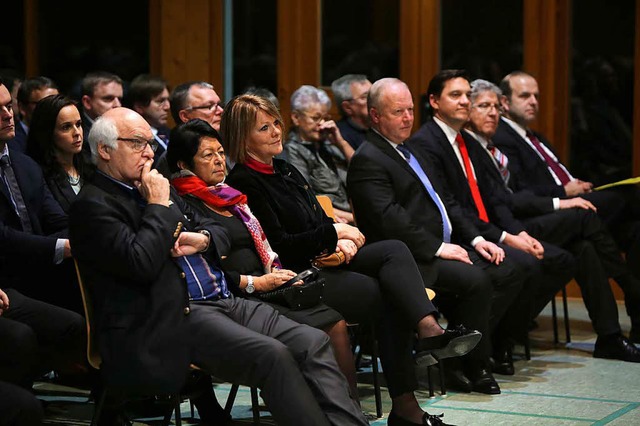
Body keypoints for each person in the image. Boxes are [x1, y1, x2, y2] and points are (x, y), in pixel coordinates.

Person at [69, 106, 370, 426]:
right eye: (137, 143)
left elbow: (219, 233)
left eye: (151, 144)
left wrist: (203, 240)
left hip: (222, 298)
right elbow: (139, 263)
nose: (149, 153)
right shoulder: (94, 206)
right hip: (169, 316)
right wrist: (158, 205)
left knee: (312, 341)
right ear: (104, 150)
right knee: (274, 356)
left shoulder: (156, 186)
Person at [225, 94, 481, 426]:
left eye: (276, 122)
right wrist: (334, 236)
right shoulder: (245, 181)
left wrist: (339, 235)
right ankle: (404, 405)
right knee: (390, 298)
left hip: (325, 258)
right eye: (264, 128)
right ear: (243, 138)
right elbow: (281, 247)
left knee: (394, 250)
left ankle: (428, 329)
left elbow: (318, 220)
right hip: (299, 275)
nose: (276, 131)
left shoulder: (284, 169)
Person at [347, 78, 526, 394]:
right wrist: (440, 248)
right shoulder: (368, 158)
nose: (407, 118)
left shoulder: (407, 149)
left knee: (509, 268)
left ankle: (459, 357)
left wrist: (475, 240)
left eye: (410, 110)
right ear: (375, 116)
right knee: (477, 280)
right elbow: (389, 221)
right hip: (405, 258)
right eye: (397, 112)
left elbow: (445, 201)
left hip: (436, 245)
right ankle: (465, 364)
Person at [167, 118, 360, 400]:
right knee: (318, 329)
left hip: (270, 284)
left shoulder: (229, 197)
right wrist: (256, 283)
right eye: (208, 155)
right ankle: (326, 409)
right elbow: (206, 272)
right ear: (184, 165)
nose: (219, 161)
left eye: (221, 152)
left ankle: (347, 410)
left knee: (333, 321)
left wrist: (276, 275)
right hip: (236, 296)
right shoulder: (185, 205)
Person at [405, 70, 575, 372]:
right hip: (452, 238)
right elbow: (450, 206)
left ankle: (496, 344)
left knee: (539, 261)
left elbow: (494, 200)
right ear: (434, 101)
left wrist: (513, 234)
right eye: (455, 95)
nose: (463, 102)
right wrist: (494, 239)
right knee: (518, 266)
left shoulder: (466, 142)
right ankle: (471, 352)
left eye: (466, 96)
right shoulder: (426, 143)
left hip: (477, 230)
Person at [462, 78, 640, 359]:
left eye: (495, 106)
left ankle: (610, 337)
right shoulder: (481, 144)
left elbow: (506, 197)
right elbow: (507, 199)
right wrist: (527, 226)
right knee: (600, 208)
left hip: (521, 219)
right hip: (512, 224)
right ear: (466, 111)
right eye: (484, 106)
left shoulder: (501, 142)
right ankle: (630, 286)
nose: (493, 113)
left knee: (585, 249)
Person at [0, 78, 80, 314]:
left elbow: (57, 219)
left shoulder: (25, 164)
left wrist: (88, 236)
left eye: (7, 106)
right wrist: (63, 246)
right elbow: (3, 235)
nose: (7, 115)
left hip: (36, 268)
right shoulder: (37, 163)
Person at [283, 85, 355, 224]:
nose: (322, 123)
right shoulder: (292, 151)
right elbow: (307, 199)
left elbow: (364, 170)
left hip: (353, 212)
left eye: (325, 117)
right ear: (296, 118)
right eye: (316, 118)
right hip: (334, 220)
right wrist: (354, 218)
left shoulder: (329, 144)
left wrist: (341, 143)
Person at [26, 94, 93, 213]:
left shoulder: (91, 165)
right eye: (66, 127)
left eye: (78, 124)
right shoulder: (38, 176)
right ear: (48, 132)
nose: (77, 133)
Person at [127, 74, 172, 165]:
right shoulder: (132, 139)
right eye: (160, 101)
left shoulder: (170, 133)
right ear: (139, 107)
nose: (167, 106)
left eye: (168, 100)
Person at [79, 71, 124, 160]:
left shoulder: (123, 128)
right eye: (108, 98)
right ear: (87, 102)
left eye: (119, 99)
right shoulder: (79, 136)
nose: (118, 105)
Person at [10, 76, 59, 153]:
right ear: (22, 108)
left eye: (56, 104)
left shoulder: (60, 137)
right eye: (44, 104)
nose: (53, 109)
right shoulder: (12, 145)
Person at [331, 74, 372, 149]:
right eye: (365, 97)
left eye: (374, 94)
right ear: (347, 108)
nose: (374, 100)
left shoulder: (382, 126)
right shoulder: (339, 136)